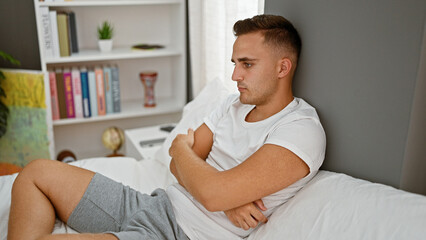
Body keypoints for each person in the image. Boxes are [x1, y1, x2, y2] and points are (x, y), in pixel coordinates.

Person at [7, 14, 325, 240]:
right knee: (34, 173)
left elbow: (208, 189)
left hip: (177, 233)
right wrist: (223, 192)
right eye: (235, 63)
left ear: (283, 67)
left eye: (247, 64)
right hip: (152, 204)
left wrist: (190, 159)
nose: (235, 76)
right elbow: (176, 165)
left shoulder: (300, 130)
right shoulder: (233, 105)